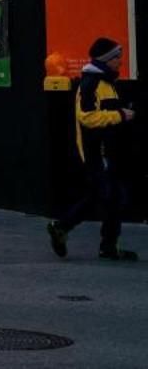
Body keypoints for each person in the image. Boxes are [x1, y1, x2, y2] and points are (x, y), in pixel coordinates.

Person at [48, 37, 136, 261]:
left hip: (107, 150)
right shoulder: (91, 84)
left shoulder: (105, 82)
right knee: (110, 195)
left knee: (108, 195)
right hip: (95, 151)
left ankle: (76, 232)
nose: (120, 62)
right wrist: (120, 115)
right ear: (107, 59)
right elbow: (87, 117)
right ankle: (70, 230)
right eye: (117, 58)